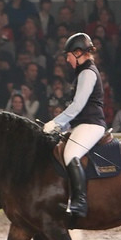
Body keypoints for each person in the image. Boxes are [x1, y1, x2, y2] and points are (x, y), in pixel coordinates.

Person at [43, 33, 107, 218]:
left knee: (71, 153)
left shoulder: (87, 72)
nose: (67, 58)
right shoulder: (81, 73)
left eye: (69, 54)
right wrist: (60, 128)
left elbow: (78, 105)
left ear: (79, 53)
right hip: (81, 124)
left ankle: (80, 202)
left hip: (91, 124)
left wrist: (56, 122)